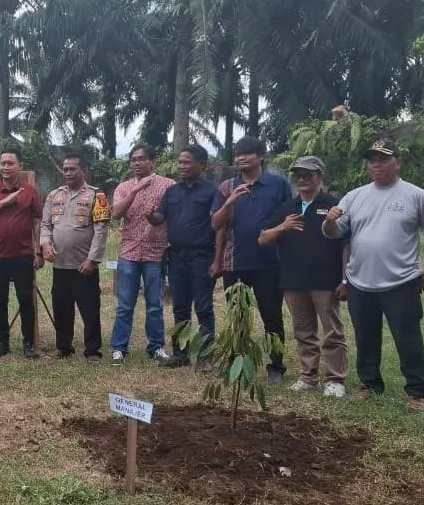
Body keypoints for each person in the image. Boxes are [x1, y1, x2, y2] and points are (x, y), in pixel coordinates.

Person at [323, 139, 424, 410]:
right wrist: (330, 220)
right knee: (366, 337)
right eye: (373, 160)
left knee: (408, 338)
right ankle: (370, 384)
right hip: (360, 282)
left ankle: (417, 391)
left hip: (401, 282)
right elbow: (336, 232)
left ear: (398, 163)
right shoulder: (355, 196)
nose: (377, 164)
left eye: (384, 159)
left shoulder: (415, 195)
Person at [257, 156, 348, 396]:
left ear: (320, 176)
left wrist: (345, 279)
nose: (302, 179)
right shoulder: (288, 207)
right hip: (293, 280)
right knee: (303, 331)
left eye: (308, 174)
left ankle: (334, 379)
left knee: (332, 331)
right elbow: (263, 239)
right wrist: (282, 227)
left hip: (325, 280)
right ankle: (308, 376)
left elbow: (346, 244)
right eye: (298, 175)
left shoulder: (333, 205)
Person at [210, 136, 292, 384]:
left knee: (272, 316)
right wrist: (231, 201)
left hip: (269, 262)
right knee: (236, 317)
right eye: (237, 154)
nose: (240, 158)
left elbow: (288, 220)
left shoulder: (278, 185)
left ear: (260, 156)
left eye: (246, 154)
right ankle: (237, 363)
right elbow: (216, 224)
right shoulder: (227, 187)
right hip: (235, 264)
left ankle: (276, 367)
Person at [150, 144, 218, 370]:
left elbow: (220, 226)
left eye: (187, 162)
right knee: (180, 307)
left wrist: (217, 260)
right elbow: (160, 218)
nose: (181, 166)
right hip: (176, 256)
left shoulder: (212, 191)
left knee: (203, 307)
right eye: (180, 162)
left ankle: (206, 356)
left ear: (202, 165)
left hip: (202, 255)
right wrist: (151, 216)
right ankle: (181, 354)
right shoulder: (172, 191)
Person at [0, 146, 44, 358]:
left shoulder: (30, 191)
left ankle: (29, 344)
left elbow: (36, 221)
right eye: (2, 163)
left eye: (10, 163)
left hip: (23, 255)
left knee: (25, 300)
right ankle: (2, 344)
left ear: (20, 166)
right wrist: (4, 202)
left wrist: (38, 251)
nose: (6, 167)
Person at [40, 154, 110, 360]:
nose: (68, 173)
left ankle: (92, 350)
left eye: (72, 169)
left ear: (83, 170)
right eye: (65, 169)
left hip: (84, 266)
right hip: (60, 266)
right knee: (61, 309)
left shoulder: (97, 196)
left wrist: (93, 260)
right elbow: (45, 224)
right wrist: (45, 244)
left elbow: (101, 230)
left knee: (89, 310)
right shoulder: (53, 196)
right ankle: (63, 347)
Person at [109, 144, 174, 364]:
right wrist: (135, 190)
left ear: (151, 161)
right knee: (125, 303)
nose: (137, 163)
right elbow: (115, 214)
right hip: (129, 252)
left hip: (155, 252)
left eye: (141, 159)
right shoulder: (124, 187)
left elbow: (169, 217)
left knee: (155, 303)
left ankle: (156, 347)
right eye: (133, 159)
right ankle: (119, 348)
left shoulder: (167, 185)